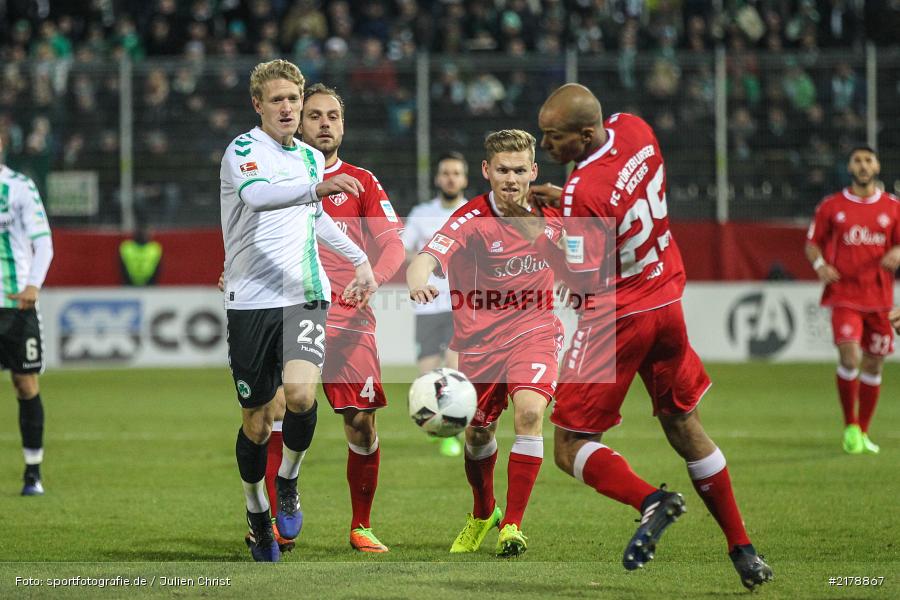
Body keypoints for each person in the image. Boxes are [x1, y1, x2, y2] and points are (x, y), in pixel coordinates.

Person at [495, 84, 773, 590]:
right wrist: (573, 203)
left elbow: (579, 278)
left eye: (554, 137)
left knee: (570, 445)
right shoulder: (636, 128)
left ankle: (652, 501)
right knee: (685, 427)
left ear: (584, 134)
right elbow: (621, 196)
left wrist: (535, 228)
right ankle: (744, 550)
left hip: (618, 319)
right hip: (667, 300)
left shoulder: (584, 191)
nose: (546, 144)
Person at [220, 59, 376, 562]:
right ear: (258, 105)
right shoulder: (244, 151)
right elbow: (259, 197)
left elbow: (316, 223)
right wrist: (316, 189)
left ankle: (287, 478)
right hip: (249, 301)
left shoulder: (311, 158)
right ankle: (255, 509)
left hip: (305, 292)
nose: (288, 108)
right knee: (257, 422)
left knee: (301, 395)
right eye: (278, 100)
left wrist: (359, 259)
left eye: (294, 99)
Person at [252, 82, 406, 554]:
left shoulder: (362, 181)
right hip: (293, 309)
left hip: (351, 321)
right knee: (278, 407)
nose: (324, 123)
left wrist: (373, 278)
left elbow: (394, 245)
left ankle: (360, 525)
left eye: (332, 116)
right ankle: (281, 511)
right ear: (298, 121)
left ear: (343, 124)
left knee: (361, 423)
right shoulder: (278, 179)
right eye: (314, 115)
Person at [407, 130, 563, 557]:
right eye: (502, 170)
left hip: (535, 330)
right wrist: (419, 281)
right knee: (478, 435)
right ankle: (483, 512)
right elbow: (427, 257)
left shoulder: (553, 211)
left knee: (530, 412)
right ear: (486, 171)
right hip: (479, 343)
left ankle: (512, 524)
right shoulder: (470, 219)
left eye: (519, 170)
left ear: (533, 171)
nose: (510, 179)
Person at [805, 146, 900, 454]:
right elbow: (812, 243)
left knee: (874, 365)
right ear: (849, 166)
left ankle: (863, 431)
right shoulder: (832, 206)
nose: (863, 165)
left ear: (877, 166)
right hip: (844, 295)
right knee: (850, 358)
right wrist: (820, 266)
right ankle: (850, 425)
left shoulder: (893, 207)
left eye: (868, 160)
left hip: (880, 299)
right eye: (857, 160)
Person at [401, 152, 469, 458]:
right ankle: (433, 421)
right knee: (428, 373)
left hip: (461, 305)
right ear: (438, 178)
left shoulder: (472, 212)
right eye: (446, 173)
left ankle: (451, 432)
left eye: (456, 173)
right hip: (427, 306)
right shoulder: (421, 214)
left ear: (464, 179)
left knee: (454, 370)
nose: (451, 178)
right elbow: (403, 251)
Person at [0, 134, 54, 497]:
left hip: (16, 304)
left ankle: (32, 472)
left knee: (26, 384)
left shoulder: (18, 187)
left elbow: (43, 241)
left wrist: (33, 285)